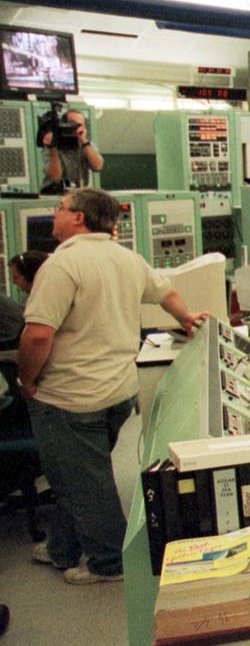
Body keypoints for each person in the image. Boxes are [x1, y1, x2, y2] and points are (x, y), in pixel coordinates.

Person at [18, 188, 209, 584]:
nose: (54, 213)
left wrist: (27, 380)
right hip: (118, 392)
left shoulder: (61, 265)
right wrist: (187, 318)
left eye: (60, 207)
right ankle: (62, 547)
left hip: (71, 396)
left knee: (83, 481)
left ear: (78, 218)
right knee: (78, 473)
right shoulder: (127, 258)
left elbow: (37, 335)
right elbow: (166, 292)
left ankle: (108, 563)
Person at [41, 108, 103, 192]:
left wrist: (84, 141)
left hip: (79, 192)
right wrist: (53, 147)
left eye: (80, 125)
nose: (75, 128)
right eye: (72, 124)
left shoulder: (87, 145)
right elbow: (55, 177)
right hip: (54, 191)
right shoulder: (53, 147)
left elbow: (98, 167)